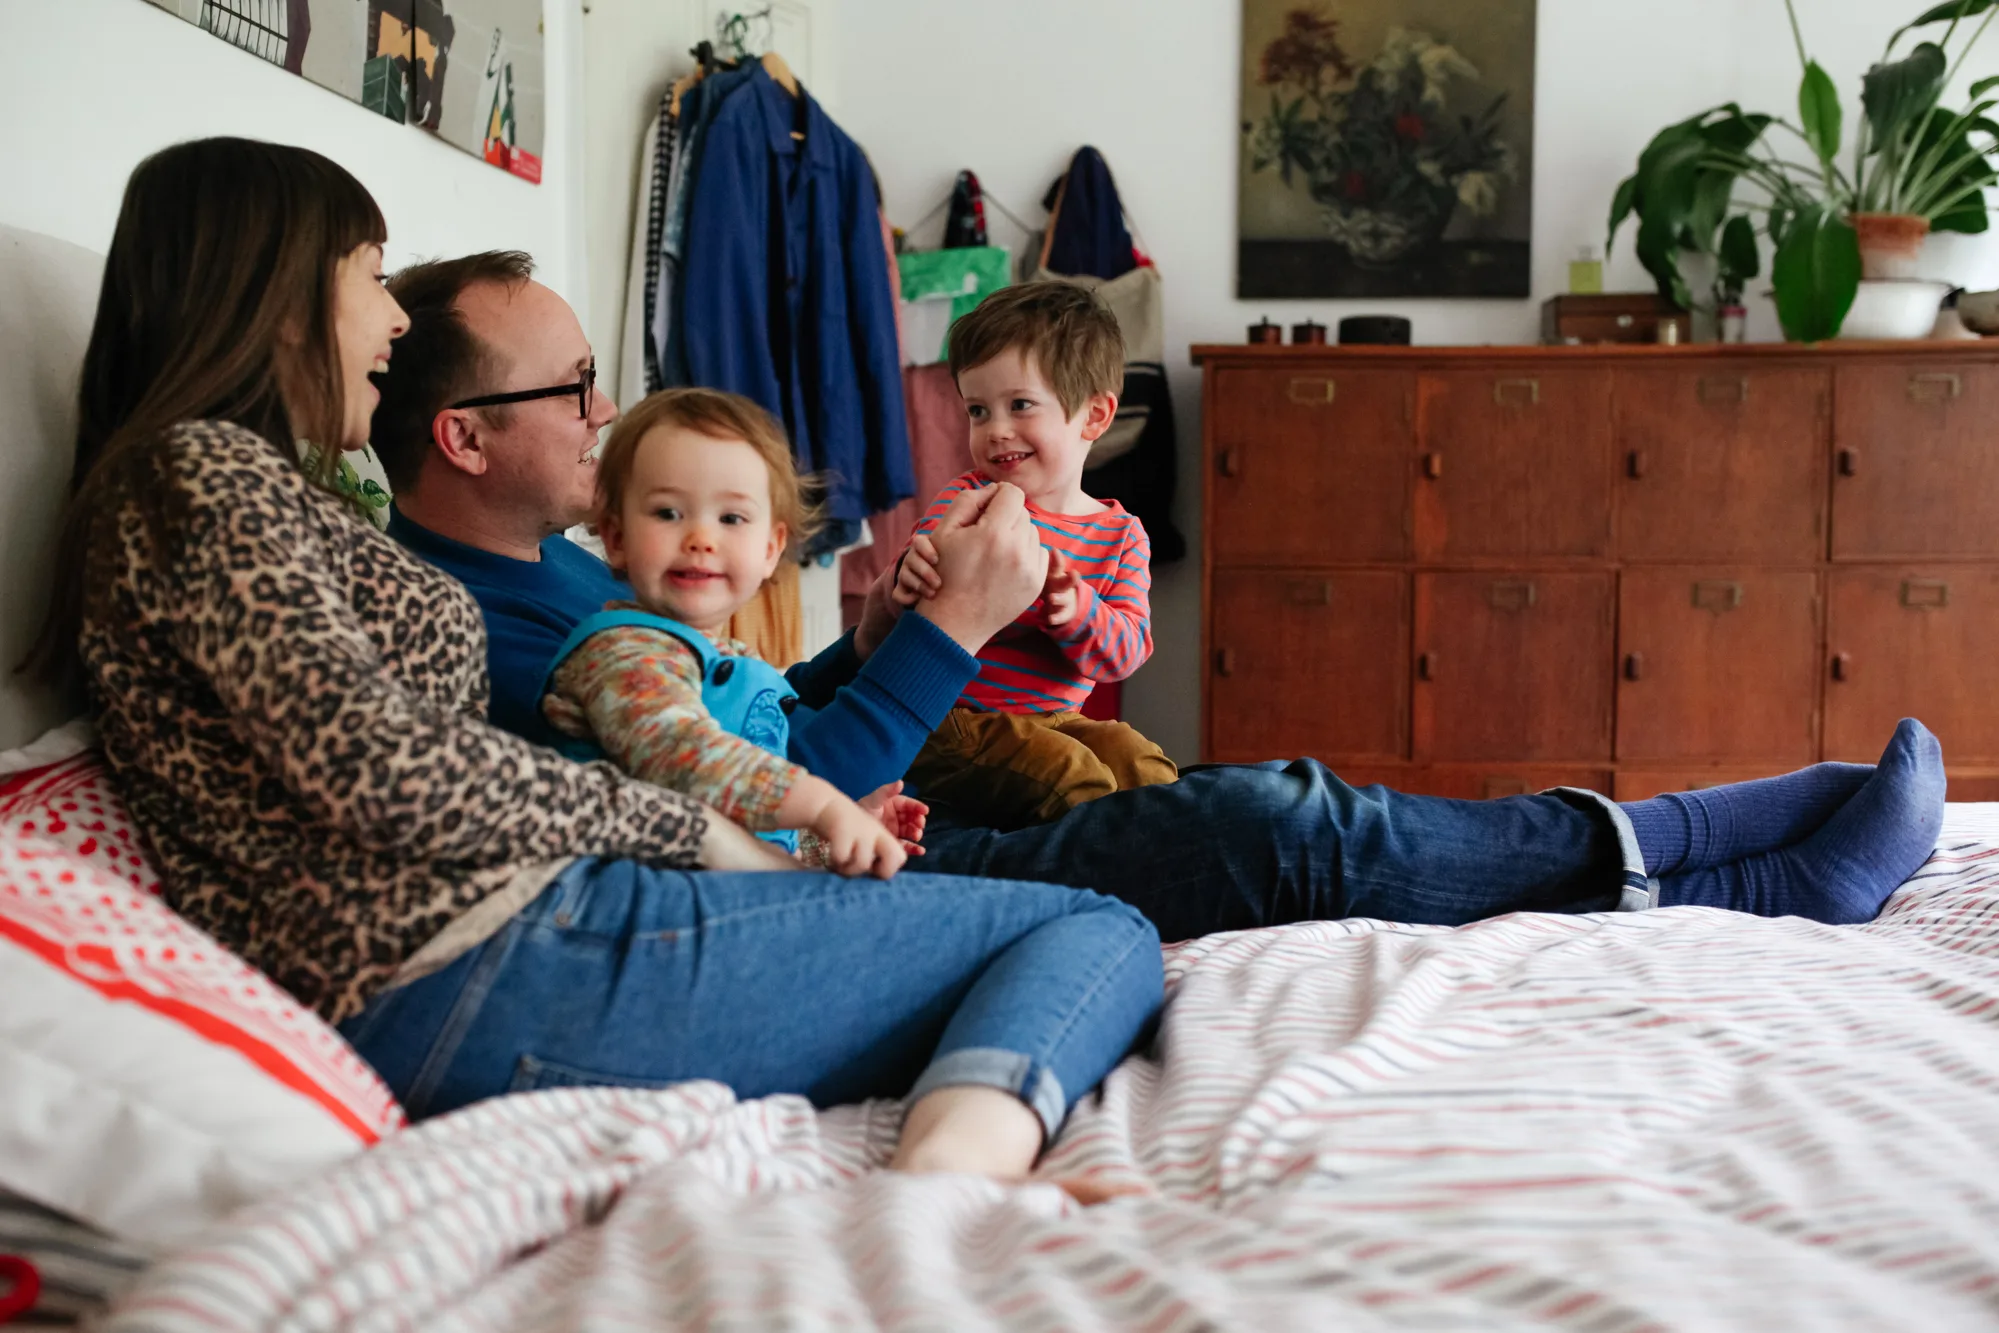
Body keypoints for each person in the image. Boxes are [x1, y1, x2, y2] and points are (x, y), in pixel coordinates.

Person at [38, 136, 1165, 1189]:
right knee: (1095, 924)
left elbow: (724, 721)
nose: (392, 318)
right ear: (279, 301)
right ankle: (946, 1185)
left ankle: (954, 1158)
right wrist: (712, 833)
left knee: (1109, 898)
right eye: (369, 275)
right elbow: (380, 766)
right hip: (482, 953)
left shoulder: (267, 494)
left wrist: (868, 654)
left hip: (535, 922)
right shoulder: (201, 476)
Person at [370, 251, 1948, 943]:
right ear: (463, 436)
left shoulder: (563, 568)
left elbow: (780, 719)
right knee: (1275, 823)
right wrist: (943, 636)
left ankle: (1735, 864)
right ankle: (1700, 852)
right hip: (869, 862)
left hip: (896, 807)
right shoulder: (486, 622)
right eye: (570, 387)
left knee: (1252, 799)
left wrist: (883, 636)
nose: (604, 409)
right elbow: (774, 797)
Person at [538, 386, 927, 874]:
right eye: (668, 513)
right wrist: (821, 805)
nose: (701, 538)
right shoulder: (621, 654)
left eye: (731, 517)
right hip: (630, 897)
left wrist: (832, 840)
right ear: (616, 538)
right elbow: (685, 759)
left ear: (770, 549)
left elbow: (746, 829)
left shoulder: (737, 662)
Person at [891, 282, 1177, 830]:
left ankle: (1176, 857)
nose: (996, 431)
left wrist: (1078, 613)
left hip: (1055, 719)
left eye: (1020, 405)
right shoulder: (970, 499)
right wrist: (913, 574)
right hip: (952, 721)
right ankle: (1103, 867)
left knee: (1142, 765)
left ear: (1094, 416)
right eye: (978, 411)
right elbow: (919, 575)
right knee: (1074, 778)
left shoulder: (1122, 536)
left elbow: (1125, 653)